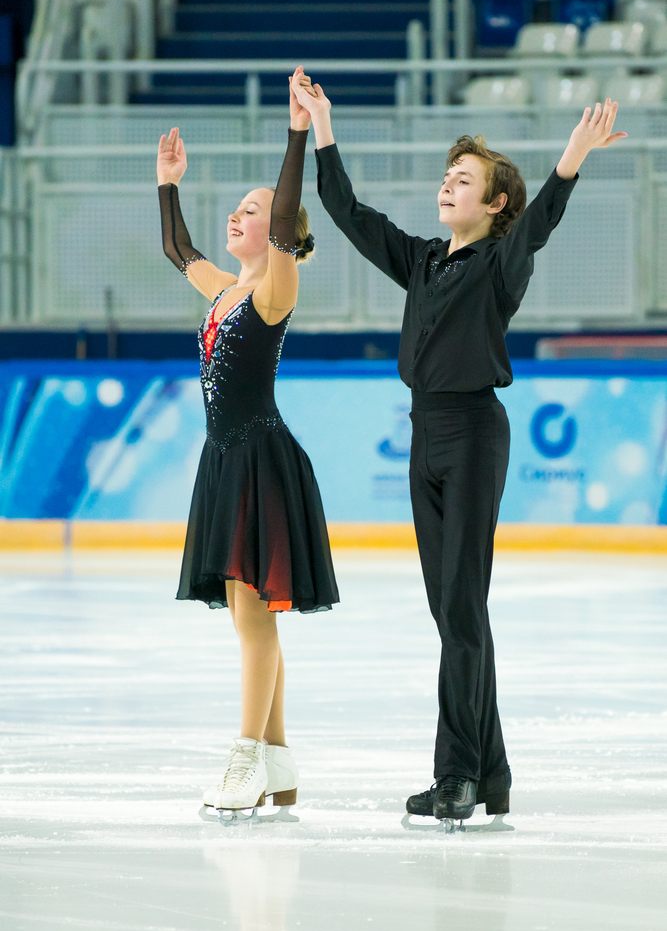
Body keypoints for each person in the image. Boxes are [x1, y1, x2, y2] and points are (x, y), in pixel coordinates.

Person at [292, 74, 626, 824]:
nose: (448, 184)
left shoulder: (500, 263)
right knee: (454, 615)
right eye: (448, 175)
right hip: (424, 435)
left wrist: (571, 158)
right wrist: (323, 126)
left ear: (495, 203)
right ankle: (492, 774)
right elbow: (346, 211)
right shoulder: (420, 260)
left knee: (462, 609)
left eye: (465, 179)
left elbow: (539, 224)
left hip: (474, 434)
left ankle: (456, 776)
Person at [156, 66, 339, 815]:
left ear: (281, 232)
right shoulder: (223, 290)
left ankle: (245, 759)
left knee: (254, 618)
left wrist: (296, 136)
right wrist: (167, 185)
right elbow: (177, 249)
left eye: (253, 210)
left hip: (261, 458)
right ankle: (279, 763)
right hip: (225, 459)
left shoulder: (273, 289)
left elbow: (288, 211)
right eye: (235, 208)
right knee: (247, 616)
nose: (238, 216)